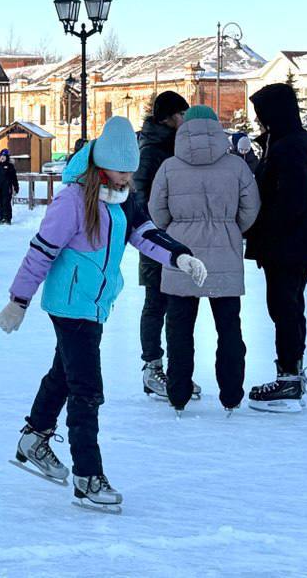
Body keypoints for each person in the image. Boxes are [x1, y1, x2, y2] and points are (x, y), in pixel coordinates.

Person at [0, 117, 205, 512]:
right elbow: (41, 251)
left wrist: (179, 256)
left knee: (65, 373)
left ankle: (34, 436)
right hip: (69, 305)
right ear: (102, 164)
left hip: (95, 304)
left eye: (132, 170)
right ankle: (86, 476)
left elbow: (144, 233)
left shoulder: (123, 197)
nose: (129, 177)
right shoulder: (72, 201)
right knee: (86, 388)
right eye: (122, 170)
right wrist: (18, 300)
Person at [149, 106, 261, 413]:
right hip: (225, 255)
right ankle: (231, 394)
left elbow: (157, 212)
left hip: (181, 256)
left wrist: (177, 229)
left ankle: (178, 393)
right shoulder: (236, 167)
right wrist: (230, 228)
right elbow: (251, 209)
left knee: (179, 329)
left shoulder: (170, 167)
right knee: (229, 328)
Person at [244, 83, 307, 412]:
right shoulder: (287, 141)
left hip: (288, 245)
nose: (260, 121)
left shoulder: (290, 146)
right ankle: (291, 371)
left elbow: (291, 199)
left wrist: (261, 228)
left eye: (262, 114)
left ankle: (289, 377)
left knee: (285, 307)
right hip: (291, 244)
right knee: (287, 307)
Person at [132, 89, 190, 401]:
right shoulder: (153, 149)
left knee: (173, 304)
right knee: (156, 302)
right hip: (155, 238)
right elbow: (141, 195)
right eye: (181, 114)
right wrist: (157, 231)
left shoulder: (171, 146)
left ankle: (173, 371)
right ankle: (152, 367)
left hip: (173, 236)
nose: (185, 119)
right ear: (166, 118)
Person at [0, 148, 20, 225]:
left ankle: (7, 218)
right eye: (1, 156)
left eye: (4, 156)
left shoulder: (10, 166)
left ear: (7, 157)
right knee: (0, 203)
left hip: (7, 188)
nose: (2, 157)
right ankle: (1, 217)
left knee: (6, 203)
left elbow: (14, 178)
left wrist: (16, 187)